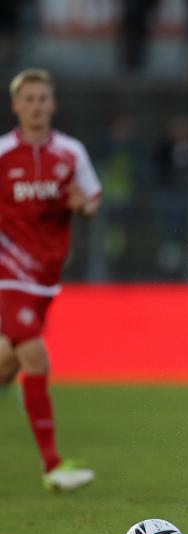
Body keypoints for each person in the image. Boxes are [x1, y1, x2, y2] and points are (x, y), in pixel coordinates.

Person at [0, 69, 102, 491]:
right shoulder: (3, 153)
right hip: (8, 274)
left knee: (6, 364)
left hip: (44, 277)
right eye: (30, 99)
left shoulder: (71, 153)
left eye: (44, 98)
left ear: (53, 104)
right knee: (36, 360)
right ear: (17, 106)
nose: (38, 105)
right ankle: (53, 467)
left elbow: (92, 199)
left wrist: (83, 205)